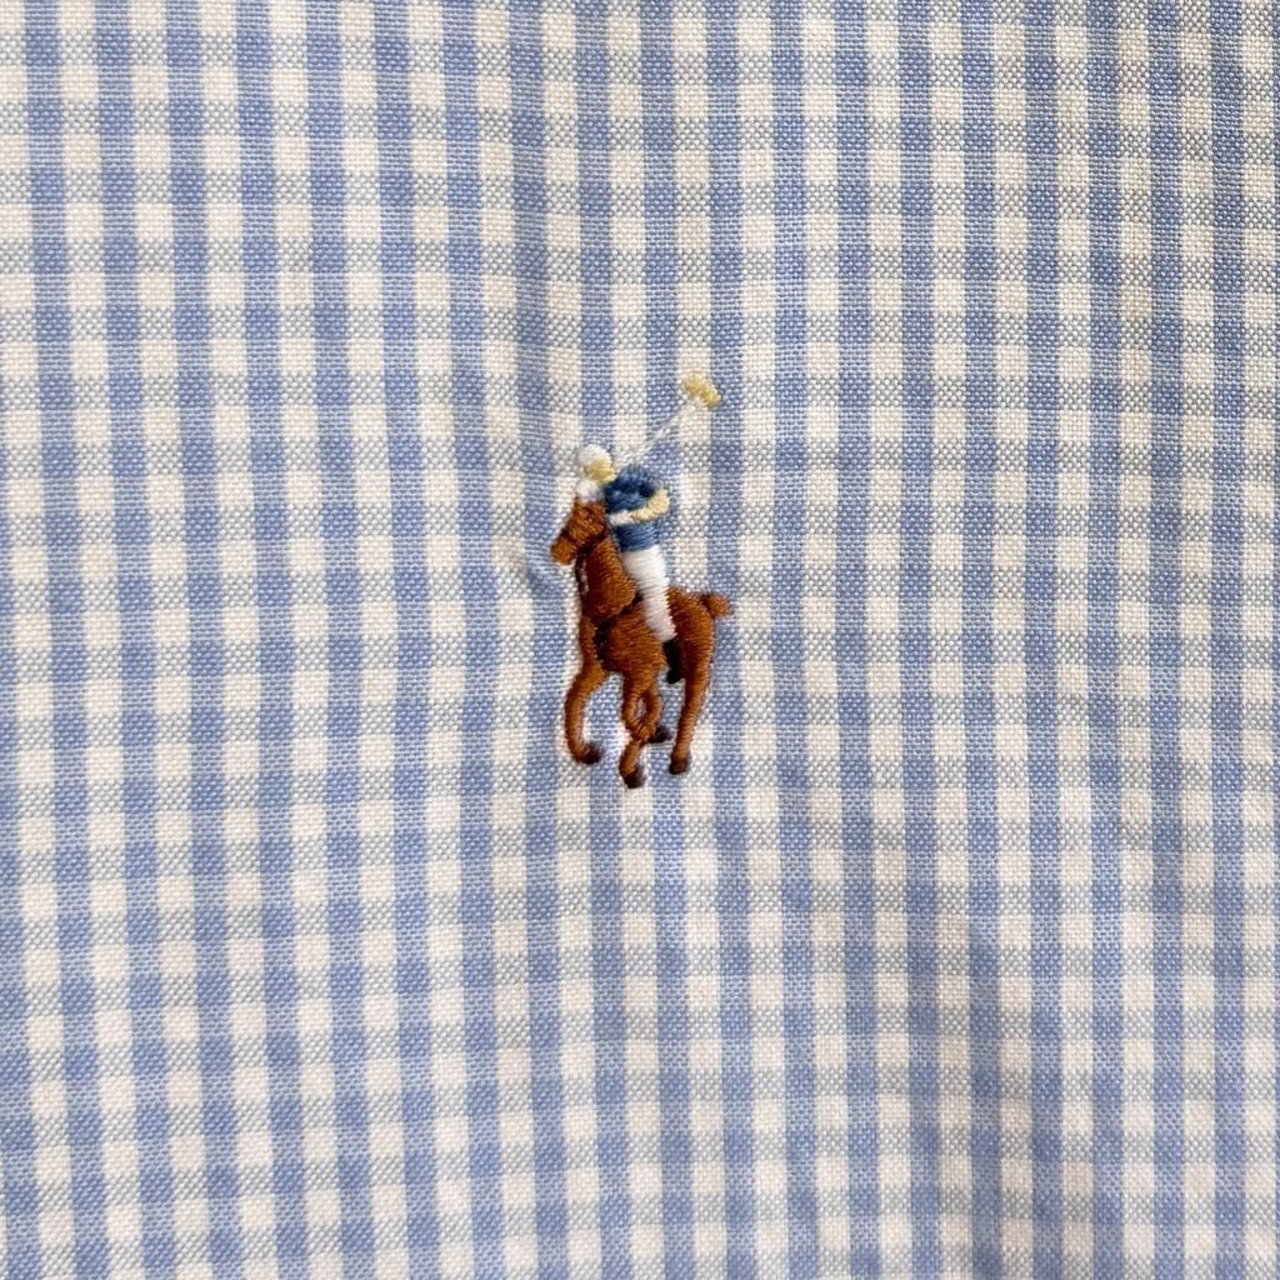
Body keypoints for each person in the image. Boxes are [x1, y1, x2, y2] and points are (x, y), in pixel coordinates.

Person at [576, 444, 682, 684]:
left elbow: (660, 499)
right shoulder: (602, 492)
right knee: (628, 600)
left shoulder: (630, 479)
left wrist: (640, 514)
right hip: (622, 553)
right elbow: (587, 506)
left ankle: (674, 654)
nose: (597, 469)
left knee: (654, 598)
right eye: (591, 467)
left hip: (644, 550)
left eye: (599, 463)